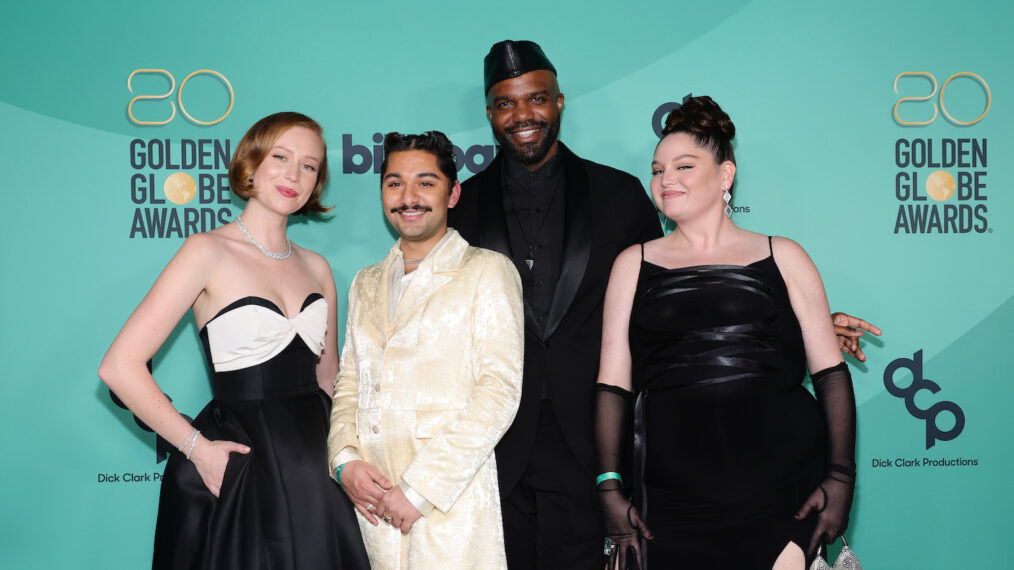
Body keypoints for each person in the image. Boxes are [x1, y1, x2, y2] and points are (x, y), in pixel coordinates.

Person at [450, 40, 880, 570]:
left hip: (593, 445)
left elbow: (691, 297)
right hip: (497, 445)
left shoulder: (618, 194)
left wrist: (801, 325)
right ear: (489, 112)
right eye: (505, 102)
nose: (523, 114)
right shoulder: (460, 206)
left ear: (559, 101)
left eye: (536, 98)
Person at [594, 96, 857, 569]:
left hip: (782, 490)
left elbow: (831, 374)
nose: (666, 179)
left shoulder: (785, 256)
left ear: (725, 176)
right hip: (668, 498)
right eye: (657, 169)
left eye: (684, 166)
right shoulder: (631, 265)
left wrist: (839, 478)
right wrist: (610, 485)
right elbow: (613, 386)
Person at [98, 112, 370, 569]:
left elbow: (330, 380)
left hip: (316, 463)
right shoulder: (207, 251)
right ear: (252, 163)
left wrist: (354, 460)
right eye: (281, 157)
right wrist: (198, 451)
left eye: (309, 165)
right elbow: (119, 367)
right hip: (245, 460)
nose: (293, 174)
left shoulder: (319, 268)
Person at [327, 131, 524, 569]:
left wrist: (420, 490)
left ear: (453, 193)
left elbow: (498, 393)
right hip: (372, 503)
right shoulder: (367, 281)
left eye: (425, 182)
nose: (408, 197)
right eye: (394, 183)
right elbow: (350, 380)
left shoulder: (486, 271)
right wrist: (344, 462)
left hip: (449, 503)